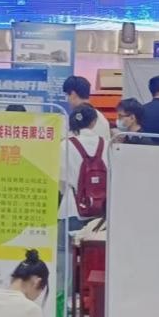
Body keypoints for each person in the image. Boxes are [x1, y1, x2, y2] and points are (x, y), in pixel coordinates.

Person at [59, 104, 108, 245]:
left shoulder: (65, 145)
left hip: (72, 207)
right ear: (94, 122)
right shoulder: (107, 144)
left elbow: (61, 179)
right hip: (100, 210)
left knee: (68, 252)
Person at [62, 76, 111, 140]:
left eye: (67, 95)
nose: (67, 100)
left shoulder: (70, 119)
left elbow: (64, 143)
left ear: (73, 94)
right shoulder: (102, 119)